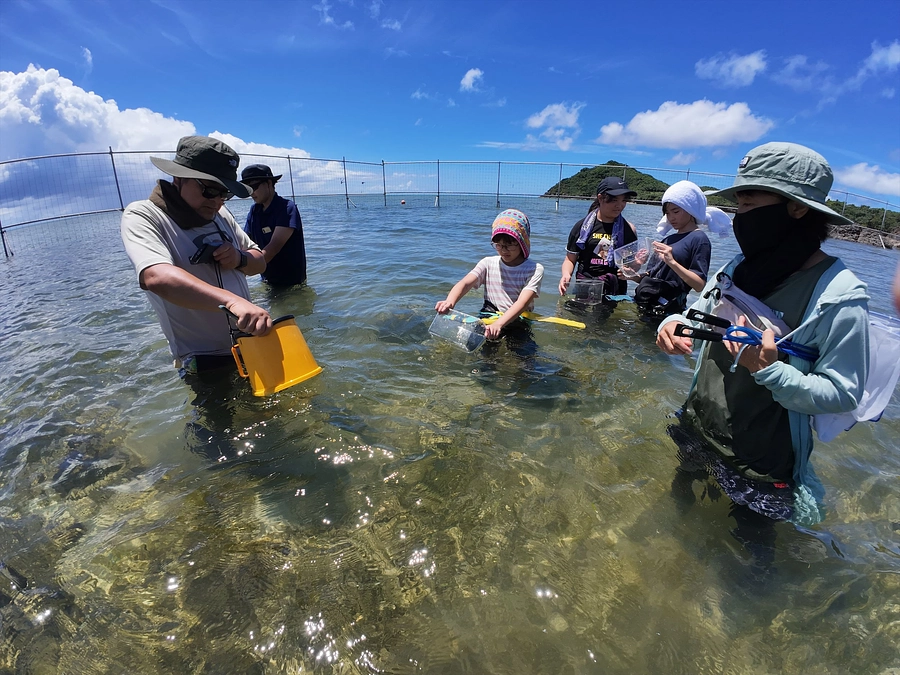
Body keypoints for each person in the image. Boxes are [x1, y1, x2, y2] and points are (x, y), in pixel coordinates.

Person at [656, 142, 870, 526]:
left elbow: (843, 393)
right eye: (738, 205)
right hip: (701, 423)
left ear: (797, 208)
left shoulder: (839, 293)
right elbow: (696, 311)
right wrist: (669, 324)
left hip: (761, 460)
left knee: (750, 565)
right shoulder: (738, 267)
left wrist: (771, 371)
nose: (739, 217)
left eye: (749, 205)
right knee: (677, 513)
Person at [121, 135, 271, 375]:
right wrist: (232, 301)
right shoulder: (143, 215)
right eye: (210, 190)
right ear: (179, 177)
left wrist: (239, 259)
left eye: (225, 194)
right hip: (204, 361)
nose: (217, 202)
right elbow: (156, 277)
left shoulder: (221, 215)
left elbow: (260, 261)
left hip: (251, 344)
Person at [435, 209, 543, 351]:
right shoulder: (487, 263)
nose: (504, 250)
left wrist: (499, 324)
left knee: (525, 358)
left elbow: (522, 302)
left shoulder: (534, 269)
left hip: (518, 319)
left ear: (522, 242)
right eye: (498, 245)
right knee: (484, 357)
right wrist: (450, 301)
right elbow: (465, 283)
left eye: (510, 244)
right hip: (489, 314)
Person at [631, 181, 713, 320]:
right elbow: (653, 277)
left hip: (669, 311)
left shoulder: (699, 239)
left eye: (676, 211)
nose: (671, 217)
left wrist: (672, 262)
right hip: (646, 303)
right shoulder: (669, 239)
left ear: (690, 209)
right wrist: (632, 274)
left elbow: (699, 285)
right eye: (667, 213)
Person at [558, 176, 638, 300]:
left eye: (624, 200)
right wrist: (566, 275)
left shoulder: (629, 230)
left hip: (614, 289)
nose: (620, 205)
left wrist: (637, 263)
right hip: (585, 284)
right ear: (600, 198)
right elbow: (570, 259)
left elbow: (630, 265)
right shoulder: (581, 227)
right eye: (614, 200)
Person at [241, 164, 308, 288]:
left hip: (292, 286)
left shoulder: (287, 208)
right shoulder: (255, 211)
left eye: (254, 187)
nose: (251, 193)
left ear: (269, 183)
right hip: (267, 282)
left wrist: (242, 269)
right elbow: (245, 242)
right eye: (247, 189)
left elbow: (273, 248)